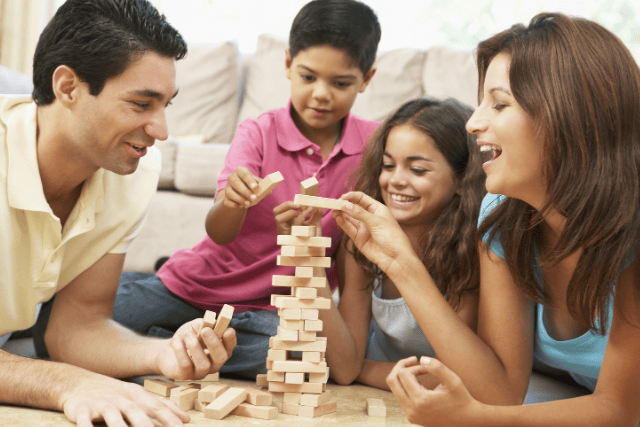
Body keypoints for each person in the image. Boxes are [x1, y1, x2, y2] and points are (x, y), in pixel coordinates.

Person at [333, 12, 640, 426]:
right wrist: (399, 261)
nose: (474, 123)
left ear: (565, 116)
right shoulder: (503, 216)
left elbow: (620, 410)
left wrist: (473, 418)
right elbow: (500, 391)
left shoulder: (631, 230)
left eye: (499, 104)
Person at [112, 0, 381, 379]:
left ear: (366, 79)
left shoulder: (371, 147)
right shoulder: (258, 132)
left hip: (274, 313)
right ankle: (169, 335)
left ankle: (163, 342)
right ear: (288, 65)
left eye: (340, 83)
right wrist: (233, 203)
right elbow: (219, 232)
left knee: (299, 359)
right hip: (196, 287)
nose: (321, 94)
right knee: (96, 316)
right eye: (308, 77)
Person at [0, 1, 235, 426]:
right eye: (141, 104)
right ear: (68, 87)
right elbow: (64, 370)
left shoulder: (131, 174)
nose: (162, 130)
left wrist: (164, 354)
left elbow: (77, 326)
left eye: (166, 105)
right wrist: (66, 383)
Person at [310, 97, 485, 389]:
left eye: (417, 170)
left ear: (461, 180)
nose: (395, 181)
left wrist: (363, 370)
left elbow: (456, 378)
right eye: (388, 165)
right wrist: (311, 262)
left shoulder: (470, 254)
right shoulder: (361, 242)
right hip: (383, 371)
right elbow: (343, 369)